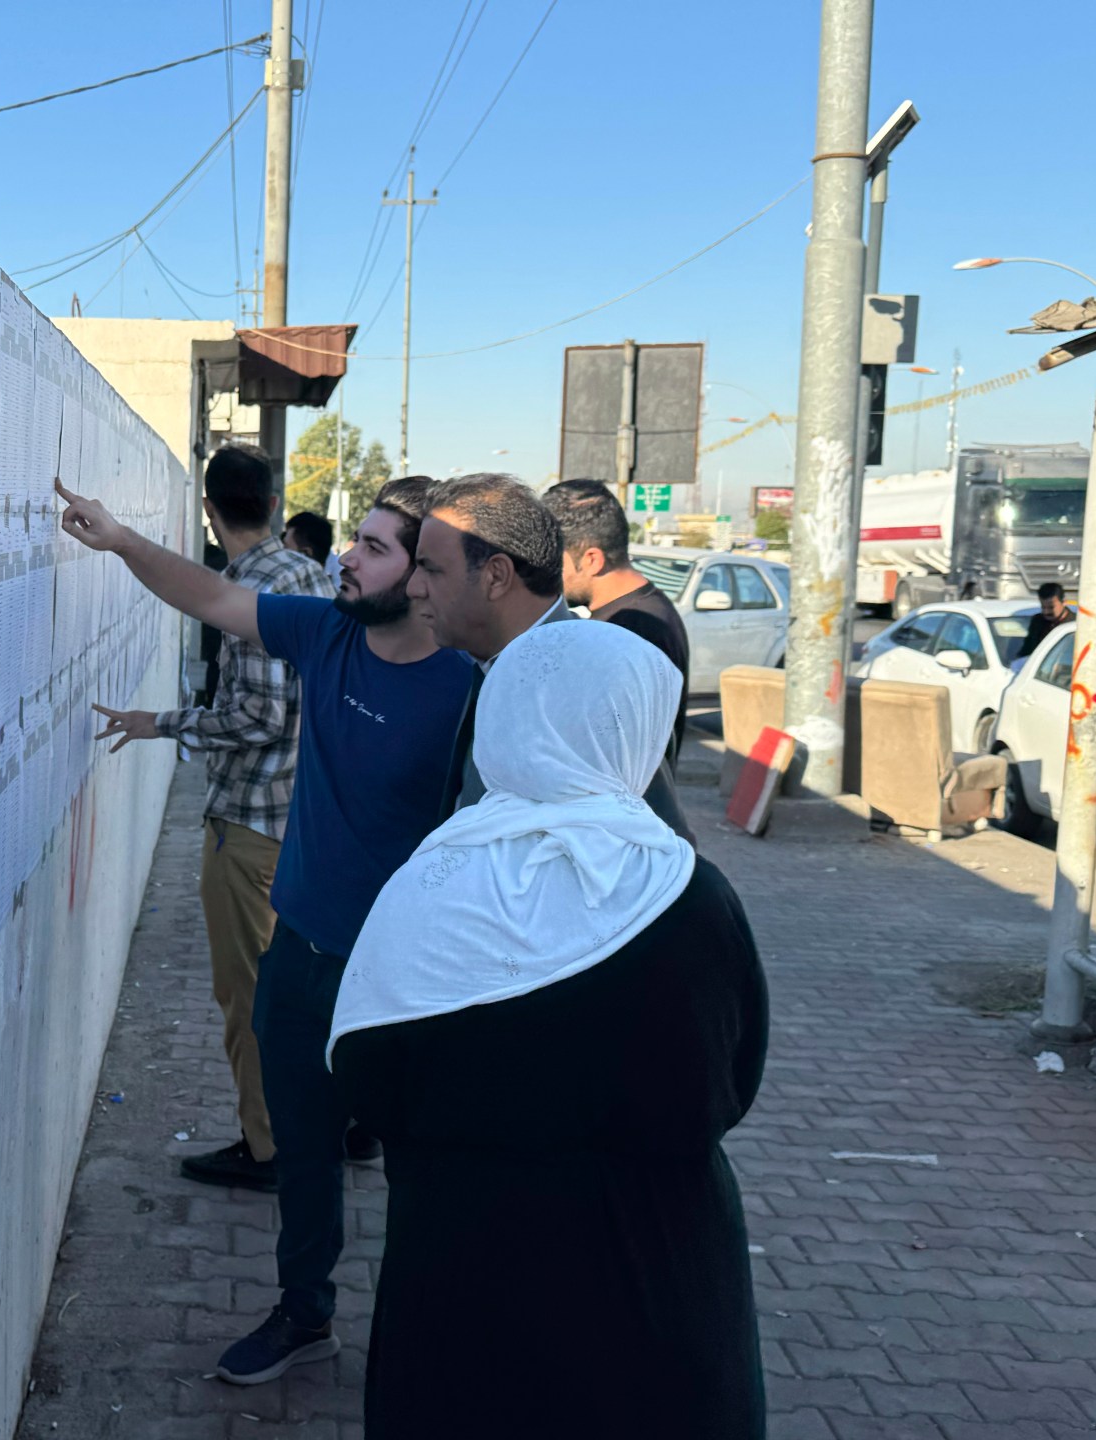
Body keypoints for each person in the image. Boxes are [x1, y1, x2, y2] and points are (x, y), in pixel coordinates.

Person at [56, 473, 473, 1386]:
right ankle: (305, 1311)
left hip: (409, 978)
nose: (347, 559)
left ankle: (427, 1336)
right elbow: (209, 593)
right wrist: (122, 540)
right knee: (304, 1148)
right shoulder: (326, 632)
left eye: (372, 547)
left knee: (426, 1166)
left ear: (423, 573)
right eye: (352, 540)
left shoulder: (469, 690)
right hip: (303, 952)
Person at [327, 620, 769, 1438]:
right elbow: (730, 1083)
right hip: (657, 1289)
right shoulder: (690, 896)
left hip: (465, 1283)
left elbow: (364, 1074)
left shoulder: (433, 884)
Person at [91, 445, 334, 1192]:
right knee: (288, 995)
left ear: (209, 509)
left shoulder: (255, 587)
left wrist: (160, 722)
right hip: (298, 820)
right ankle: (308, 1132)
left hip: (252, 830)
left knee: (250, 1000)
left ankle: (270, 1150)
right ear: (271, 502)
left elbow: (257, 714)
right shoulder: (305, 571)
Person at [407, 474, 694, 842]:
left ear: (495, 576)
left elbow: (657, 844)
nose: (414, 588)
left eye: (431, 569)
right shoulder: (485, 661)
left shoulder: (590, 679)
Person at [546, 478, 691, 760]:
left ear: (592, 560)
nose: (547, 573)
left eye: (554, 561)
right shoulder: (644, 612)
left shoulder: (633, 629)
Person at [1019, 581, 1072, 658]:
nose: (1046, 612)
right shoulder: (1038, 621)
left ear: (1064, 602)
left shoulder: (1074, 624)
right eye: (1043, 607)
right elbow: (1027, 650)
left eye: (1051, 607)